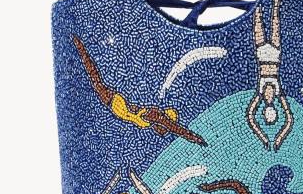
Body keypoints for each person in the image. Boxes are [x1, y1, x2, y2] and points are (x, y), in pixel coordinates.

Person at [73, 35, 206, 146]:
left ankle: (79, 46)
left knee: (94, 77)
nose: (163, 132)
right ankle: (79, 45)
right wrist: (195, 138)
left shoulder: (152, 119)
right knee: (94, 77)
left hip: (115, 104)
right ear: (166, 118)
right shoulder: (156, 116)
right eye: (165, 128)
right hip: (115, 102)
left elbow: (173, 128)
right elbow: (177, 129)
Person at [246, 0, 294, 151]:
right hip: (274, 56)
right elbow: (289, 120)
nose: (268, 98)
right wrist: (279, 136)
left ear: (265, 110)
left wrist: (264, 136)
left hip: (261, 56)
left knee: (257, 16)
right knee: (275, 16)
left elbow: (251, 117)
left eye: (267, 112)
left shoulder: (259, 95)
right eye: (272, 111)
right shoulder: (279, 95)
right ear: (274, 109)